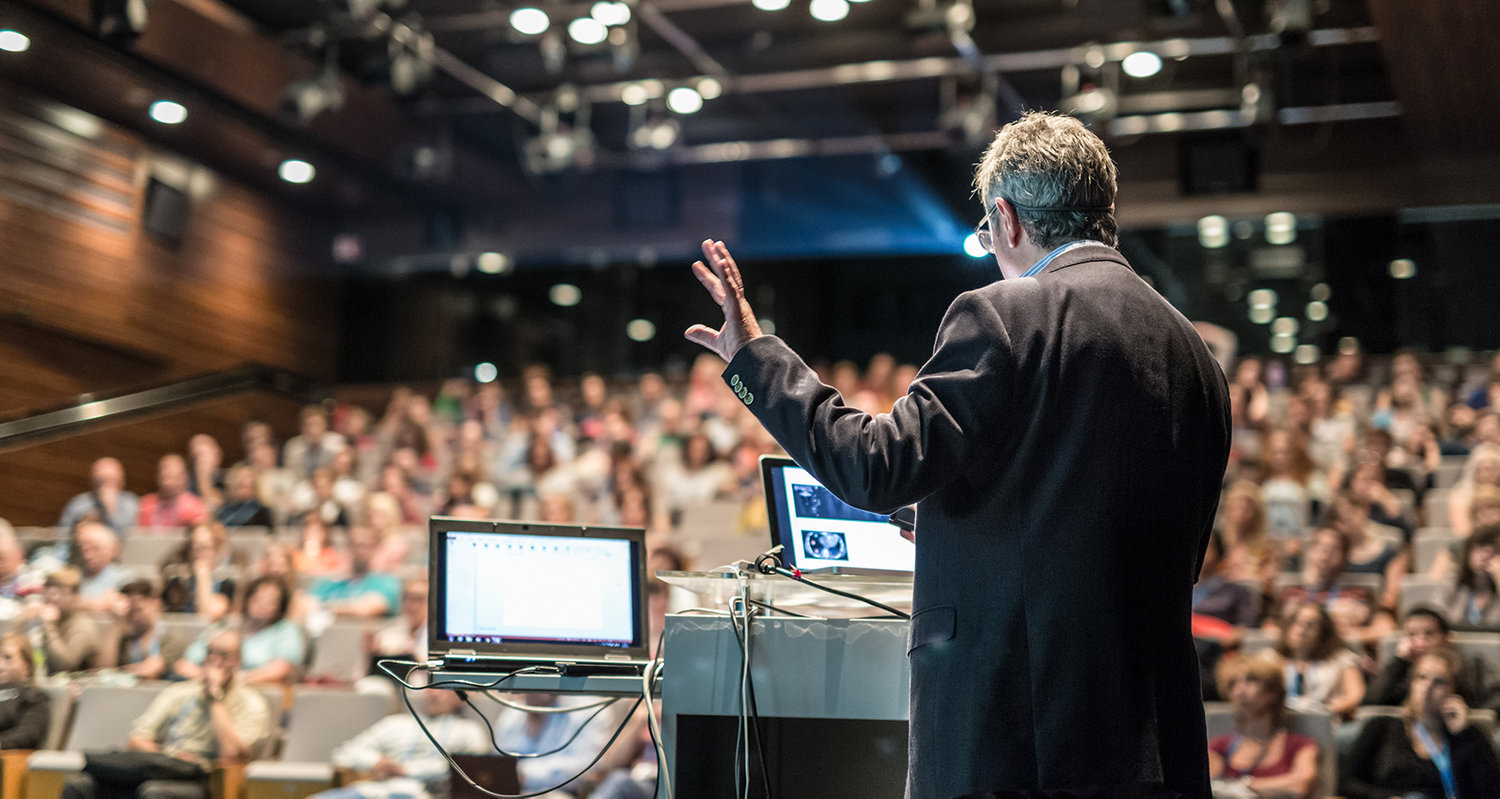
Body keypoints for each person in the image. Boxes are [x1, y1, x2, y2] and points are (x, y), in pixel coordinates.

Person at [682, 111, 1232, 796]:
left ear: (1006, 218)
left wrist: (753, 359)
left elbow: (873, 465)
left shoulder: (1005, 311)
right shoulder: (1196, 356)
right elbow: (1107, 530)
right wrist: (954, 520)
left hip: (1015, 736)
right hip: (1152, 744)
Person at [61, 630, 270, 799]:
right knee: (79, 785)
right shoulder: (180, 692)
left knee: (154, 793)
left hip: (206, 779)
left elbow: (234, 753)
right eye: (210, 653)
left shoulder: (251, 703)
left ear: (238, 662)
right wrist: (169, 756)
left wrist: (215, 697)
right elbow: (137, 739)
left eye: (223, 655)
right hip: (166, 768)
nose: (214, 660)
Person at [1341, 647, 1500, 798]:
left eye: (1439, 681)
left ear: (1454, 691)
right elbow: (1347, 784)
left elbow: (1491, 793)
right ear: (1412, 684)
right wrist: (1386, 797)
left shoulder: (1469, 737)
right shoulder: (1381, 728)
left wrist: (1464, 735)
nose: (1428, 686)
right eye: (1421, 677)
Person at [312, 688, 488, 799]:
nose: (434, 694)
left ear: (460, 695)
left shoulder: (469, 730)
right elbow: (344, 753)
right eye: (431, 688)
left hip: (427, 793)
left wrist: (406, 770)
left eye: (442, 688)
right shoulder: (396, 724)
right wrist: (376, 762)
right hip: (375, 791)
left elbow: (475, 770)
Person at [1207, 651, 1320, 799]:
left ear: (1273, 693)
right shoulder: (1219, 746)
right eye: (1233, 683)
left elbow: (1299, 786)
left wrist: (1242, 785)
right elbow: (1209, 786)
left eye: (1250, 680)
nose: (1240, 690)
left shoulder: (1299, 744)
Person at [175, 576, 304, 686]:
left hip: (257, 694)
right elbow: (184, 665)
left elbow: (279, 671)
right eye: (257, 597)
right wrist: (210, 678)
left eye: (271, 600)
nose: (262, 604)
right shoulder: (225, 626)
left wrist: (235, 681)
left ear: (280, 606)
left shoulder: (286, 630)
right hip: (210, 688)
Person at [1275, 600, 1364, 720]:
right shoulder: (1274, 660)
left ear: (1323, 631)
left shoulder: (1340, 659)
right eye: (1296, 622)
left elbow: (1355, 695)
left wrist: (1327, 710)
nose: (1302, 630)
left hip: (1324, 722)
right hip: (1283, 722)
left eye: (1310, 624)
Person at [99, 579, 185, 680]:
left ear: (155, 603)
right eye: (128, 612)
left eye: (137, 610)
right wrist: (117, 624)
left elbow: (151, 671)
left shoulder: (171, 638)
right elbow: (102, 669)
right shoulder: (125, 639)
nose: (133, 617)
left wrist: (118, 671)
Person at [21, 568, 101, 674]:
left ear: (75, 597)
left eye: (60, 592)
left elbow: (63, 666)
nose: (52, 598)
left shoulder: (82, 625)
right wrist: (24, 620)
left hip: (79, 687)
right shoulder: (52, 619)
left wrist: (48, 625)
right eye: (48, 592)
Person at [308, 527, 401, 618]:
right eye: (356, 545)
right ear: (349, 547)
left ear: (375, 549)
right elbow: (306, 604)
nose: (360, 551)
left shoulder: (386, 582)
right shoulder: (331, 582)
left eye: (366, 546)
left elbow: (367, 609)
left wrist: (324, 607)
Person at [1436, 522, 1500, 630]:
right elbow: (1436, 618)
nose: (1485, 556)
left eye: (1494, 551)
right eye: (1479, 549)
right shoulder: (1453, 579)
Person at [58, 457, 141, 532]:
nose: (106, 487)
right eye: (101, 480)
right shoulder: (79, 503)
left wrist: (111, 508)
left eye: (110, 480)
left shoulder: (130, 502)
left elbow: (130, 534)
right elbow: (62, 533)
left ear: (121, 481)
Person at [0, 632, 51, 750]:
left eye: (8, 658)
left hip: (11, 757)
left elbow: (28, 734)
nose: (0, 666)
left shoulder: (33, 697)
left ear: (26, 665)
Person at [137, 454, 209, 529]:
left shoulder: (195, 507)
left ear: (183, 478)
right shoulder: (146, 504)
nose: (167, 482)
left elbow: (202, 533)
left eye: (172, 476)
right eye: (164, 475)